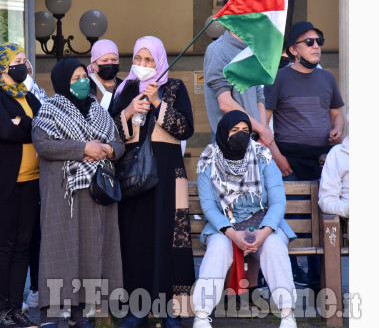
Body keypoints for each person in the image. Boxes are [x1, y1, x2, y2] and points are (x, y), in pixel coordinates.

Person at [32, 57, 125, 328]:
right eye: (75, 78)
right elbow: (44, 145)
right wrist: (83, 148)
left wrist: (107, 150)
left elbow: (118, 144)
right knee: (60, 251)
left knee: (92, 251)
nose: (82, 82)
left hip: (98, 192)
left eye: (84, 76)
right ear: (62, 81)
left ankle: (82, 313)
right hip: (65, 193)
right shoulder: (49, 109)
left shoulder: (99, 110)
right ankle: (53, 314)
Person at [111, 36, 195, 328]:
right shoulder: (125, 89)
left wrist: (159, 103)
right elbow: (111, 133)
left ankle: (170, 311)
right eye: (138, 59)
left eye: (149, 60)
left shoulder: (174, 87)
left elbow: (186, 129)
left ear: (159, 61)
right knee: (135, 241)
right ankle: (136, 310)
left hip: (168, 178)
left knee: (169, 241)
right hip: (133, 178)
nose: (143, 65)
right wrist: (129, 111)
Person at [191, 110, 297, 328]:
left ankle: (287, 314)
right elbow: (209, 207)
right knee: (218, 249)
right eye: (234, 130)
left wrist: (265, 232)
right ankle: (201, 316)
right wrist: (231, 233)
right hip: (224, 225)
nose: (241, 135)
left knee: (274, 247)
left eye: (246, 131)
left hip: (263, 222)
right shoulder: (208, 159)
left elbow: (277, 202)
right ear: (223, 133)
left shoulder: (263, 156)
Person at [264, 21, 345, 291]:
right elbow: (263, 125)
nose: (316, 46)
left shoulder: (328, 78)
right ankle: (284, 285)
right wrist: (277, 157)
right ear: (293, 50)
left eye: (319, 41)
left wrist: (337, 129)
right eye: (308, 42)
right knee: (293, 223)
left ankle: (320, 286)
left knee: (324, 224)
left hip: (324, 162)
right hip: (289, 161)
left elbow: (337, 114)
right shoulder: (278, 79)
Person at [0, 43, 41, 328]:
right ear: (2, 66)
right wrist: (26, 125)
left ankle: (16, 308)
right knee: (5, 245)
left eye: (24, 61)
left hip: (32, 180)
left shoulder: (27, 94)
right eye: (18, 61)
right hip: (3, 181)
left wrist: (21, 122)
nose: (24, 66)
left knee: (23, 245)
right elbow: (4, 130)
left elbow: (43, 128)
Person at [202, 0, 275, 150]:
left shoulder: (252, 50)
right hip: (228, 141)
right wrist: (262, 129)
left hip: (254, 140)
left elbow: (259, 96)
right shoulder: (217, 50)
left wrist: (262, 132)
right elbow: (225, 103)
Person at [22, 58, 47, 312]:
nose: (23, 72)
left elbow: (43, 117)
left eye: (27, 68)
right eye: (18, 67)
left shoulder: (38, 94)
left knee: (40, 237)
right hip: (16, 178)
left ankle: (40, 290)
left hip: (41, 176)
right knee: (24, 240)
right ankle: (31, 291)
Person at [87, 39, 122, 114]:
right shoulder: (86, 87)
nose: (110, 63)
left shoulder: (124, 86)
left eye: (114, 59)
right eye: (105, 60)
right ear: (93, 63)